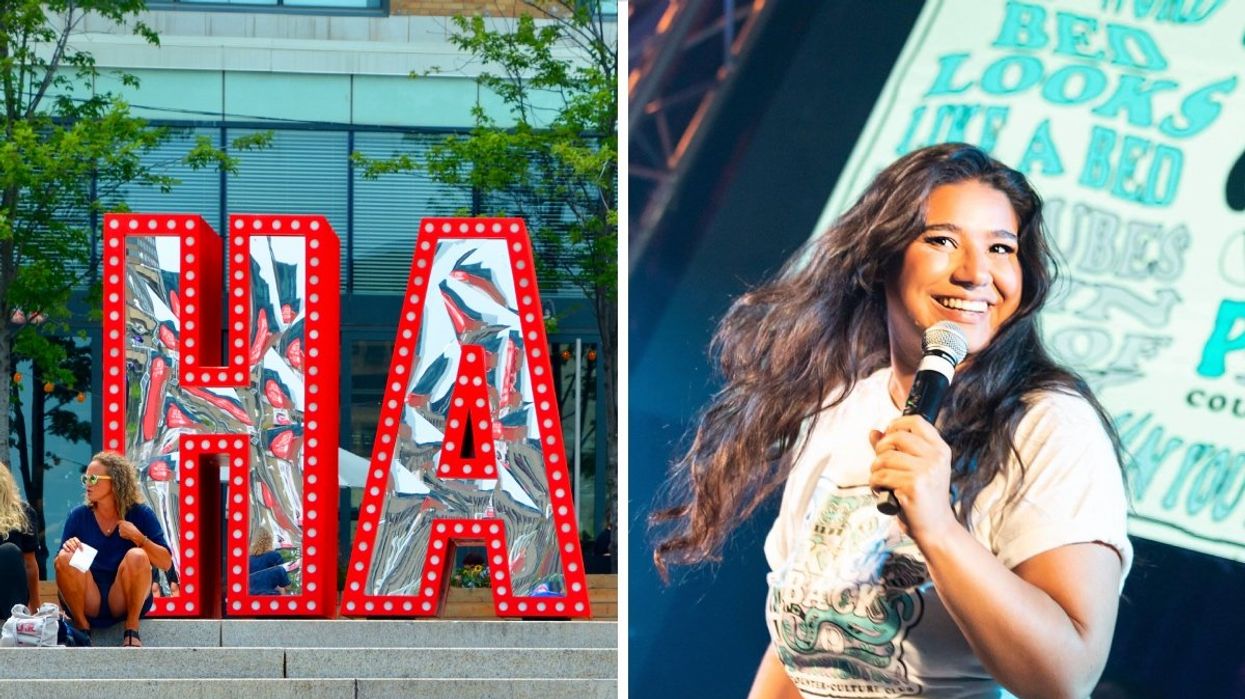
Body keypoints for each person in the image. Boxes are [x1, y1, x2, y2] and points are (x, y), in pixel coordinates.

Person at [651, 143, 1132, 698]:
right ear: (882, 258)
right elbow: (801, 646)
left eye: (1001, 248)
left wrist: (937, 528)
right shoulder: (844, 406)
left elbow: (1066, 678)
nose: (976, 273)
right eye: (942, 241)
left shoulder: (1048, 425)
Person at [55, 451, 173, 647]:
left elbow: (166, 562)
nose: (87, 483)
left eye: (93, 478)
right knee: (65, 557)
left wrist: (139, 538)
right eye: (85, 478)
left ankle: (132, 628)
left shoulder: (140, 514)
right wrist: (69, 548)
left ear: (115, 482)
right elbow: (60, 567)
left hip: (123, 599)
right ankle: (82, 628)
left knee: (137, 555)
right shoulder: (79, 515)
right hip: (89, 598)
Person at [0, 462, 40, 622]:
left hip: (9, 597)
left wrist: (36, 609)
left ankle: (15, 624)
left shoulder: (24, 513)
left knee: (9, 552)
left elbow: (30, 564)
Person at [247, 525, 290, 595]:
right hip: (270, 595)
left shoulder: (249, 559)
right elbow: (284, 581)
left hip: (251, 595)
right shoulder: (274, 555)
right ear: (270, 540)